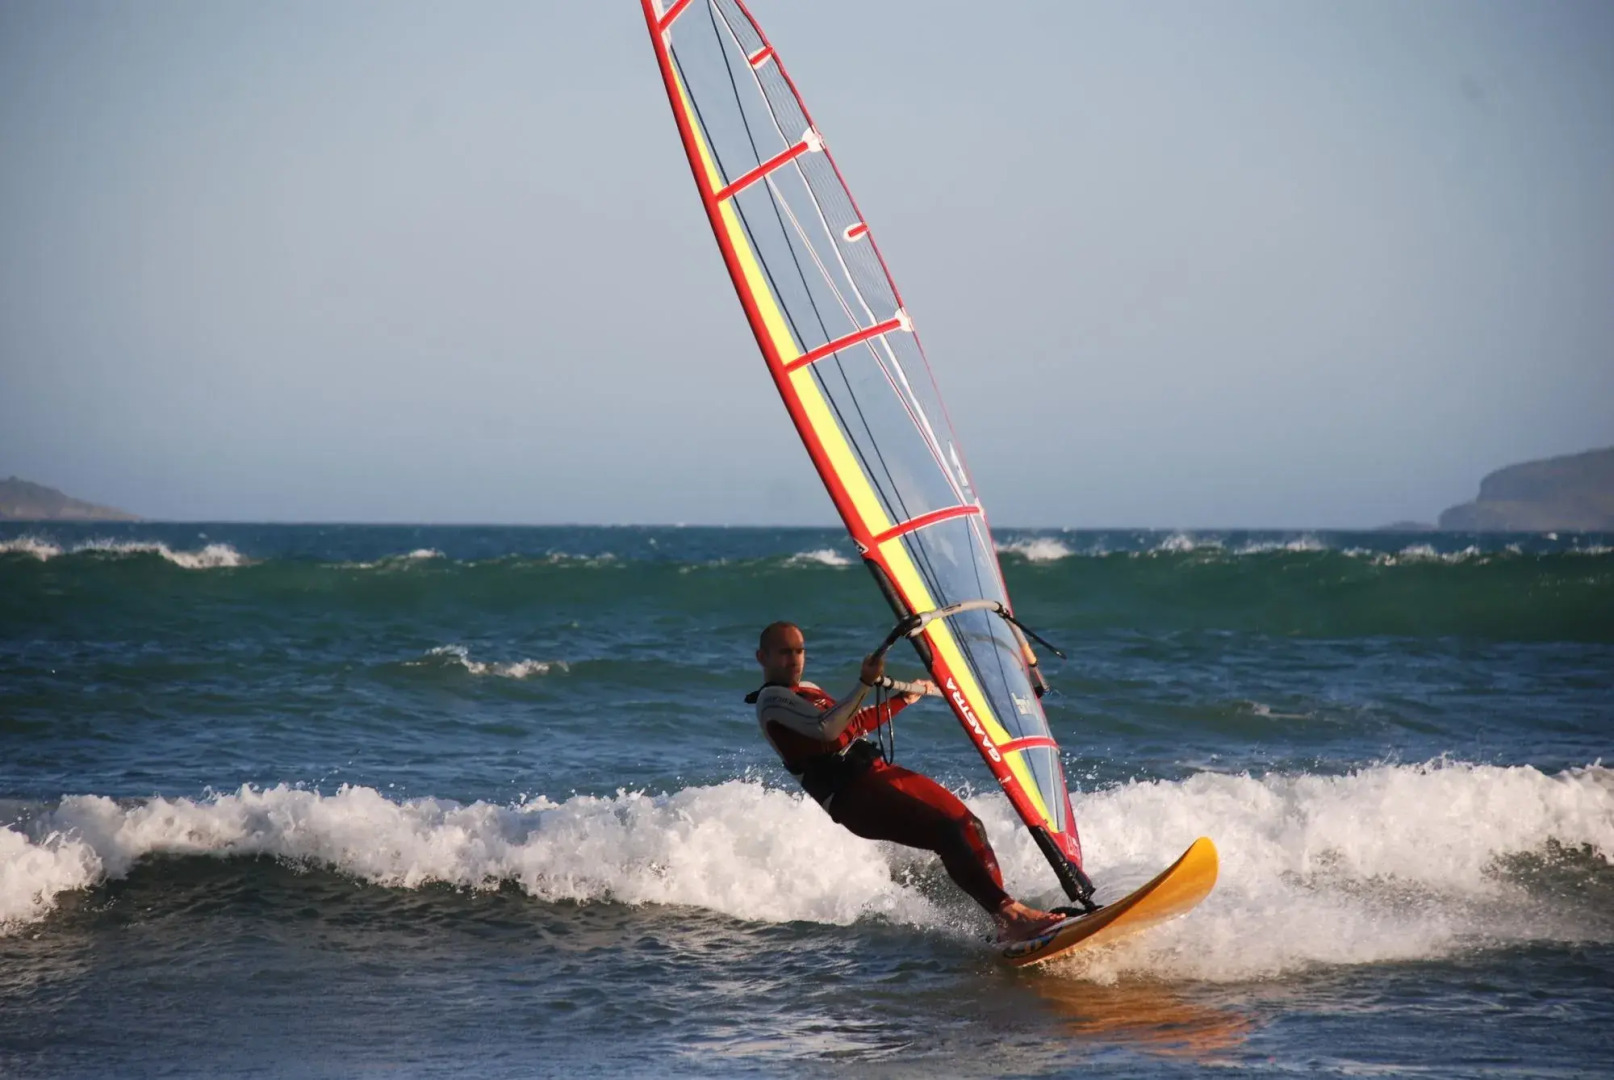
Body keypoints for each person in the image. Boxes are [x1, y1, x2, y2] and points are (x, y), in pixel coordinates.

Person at [747, 620, 1066, 943]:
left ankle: (1008, 919)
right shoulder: (771, 700)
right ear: (763, 657)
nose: (794, 659)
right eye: (784, 652)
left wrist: (903, 700)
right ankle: (1011, 916)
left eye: (799, 650)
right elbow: (827, 729)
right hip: (853, 797)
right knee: (946, 832)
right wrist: (863, 683)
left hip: (876, 775)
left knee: (968, 824)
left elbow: (853, 722)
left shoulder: (810, 689)